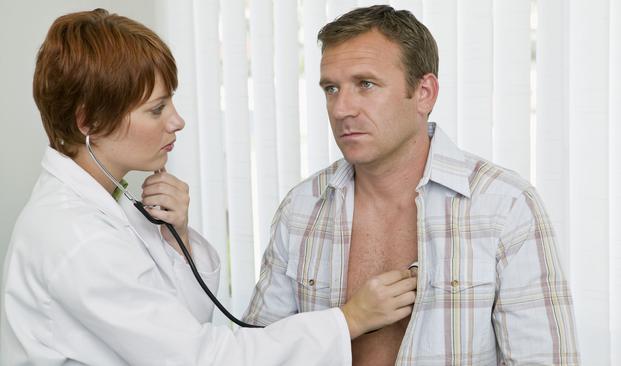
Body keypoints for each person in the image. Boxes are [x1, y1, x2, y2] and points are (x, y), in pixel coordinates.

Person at [0, 9, 419, 365]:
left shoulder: (108, 205)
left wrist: (175, 235)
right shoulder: (75, 237)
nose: (176, 121)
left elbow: (182, 320)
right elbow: (202, 357)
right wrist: (349, 320)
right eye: (156, 109)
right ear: (89, 122)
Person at [244, 5, 580, 366]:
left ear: (424, 93)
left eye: (365, 84)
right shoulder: (302, 208)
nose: (341, 108)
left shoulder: (505, 207)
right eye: (331, 88)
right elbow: (257, 353)